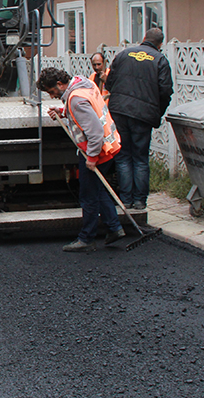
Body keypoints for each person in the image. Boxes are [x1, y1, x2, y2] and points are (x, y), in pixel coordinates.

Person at [38, 67, 125, 252]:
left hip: (97, 151)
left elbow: (95, 132)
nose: (53, 96)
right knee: (98, 190)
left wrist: (92, 158)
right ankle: (114, 228)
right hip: (111, 145)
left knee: (88, 197)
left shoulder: (75, 100)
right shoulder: (83, 84)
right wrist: (63, 111)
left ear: (61, 84)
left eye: (53, 91)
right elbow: (87, 111)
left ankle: (87, 238)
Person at [104, 27, 174, 211]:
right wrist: (156, 112)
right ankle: (140, 202)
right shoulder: (160, 60)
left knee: (123, 157)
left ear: (144, 38)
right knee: (140, 159)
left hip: (119, 111)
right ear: (160, 44)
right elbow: (166, 92)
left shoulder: (123, 55)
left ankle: (126, 200)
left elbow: (109, 83)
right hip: (143, 115)